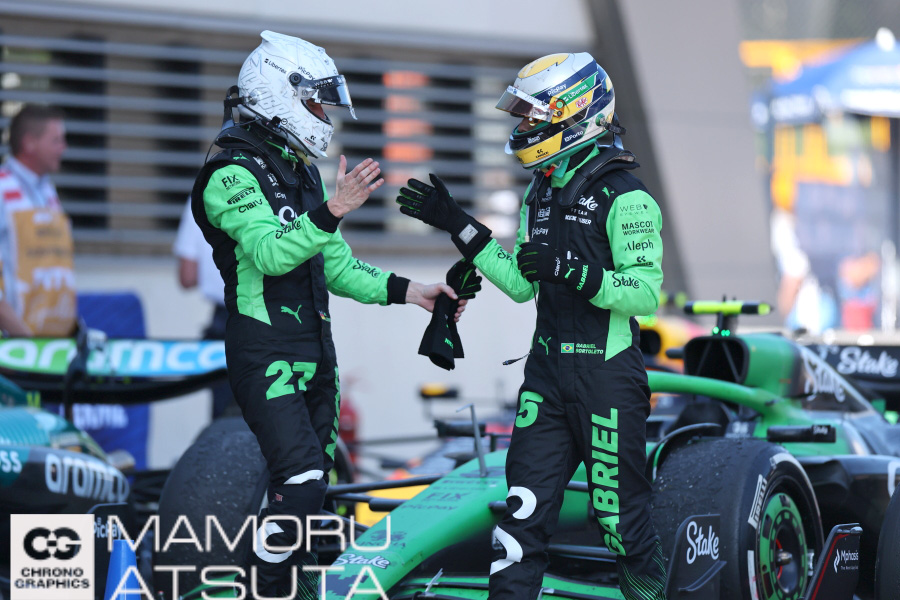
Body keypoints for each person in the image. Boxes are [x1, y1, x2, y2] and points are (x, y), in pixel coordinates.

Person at [191, 31, 469, 597]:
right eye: (317, 103)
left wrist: (415, 291)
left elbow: (338, 268)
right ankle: (260, 589)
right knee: (300, 481)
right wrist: (335, 208)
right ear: (279, 95)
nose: (324, 116)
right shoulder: (229, 173)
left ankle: (298, 587)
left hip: (317, 352)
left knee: (315, 495)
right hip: (264, 351)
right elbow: (269, 254)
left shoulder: (302, 171)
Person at [397, 53, 667, 600]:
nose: (522, 126)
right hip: (544, 375)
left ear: (574, 112)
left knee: (620, 523)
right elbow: (522, 284)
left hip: (606, 377)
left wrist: (572, 270)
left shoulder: (628, 196)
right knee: (519, 519)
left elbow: (646, 294)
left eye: (531, 115)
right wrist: (458, 224)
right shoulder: (539, 190)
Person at [0, 104, 75, 337]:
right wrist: (25, 339)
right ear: (30, 143)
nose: (63, 148)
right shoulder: (2, 188)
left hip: (51, 345)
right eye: (56, 140)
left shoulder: (47, 191)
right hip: (14, 347)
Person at [173, 196, 236, 418]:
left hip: (225, 320)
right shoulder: (276, 187)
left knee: (224, 419)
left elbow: (187, 276)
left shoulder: (202, 195)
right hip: (274, 314)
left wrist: (216, 273)